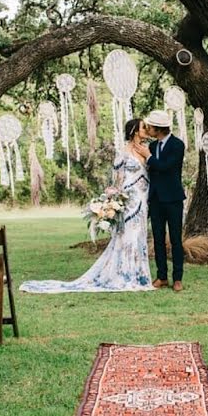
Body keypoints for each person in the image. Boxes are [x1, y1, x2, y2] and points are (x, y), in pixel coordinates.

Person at [20, 119, 154, 294]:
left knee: (139, 235)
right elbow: (118, 179)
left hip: (143, 200)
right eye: (144, 127)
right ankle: (124, 273)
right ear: (135, 131)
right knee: (127, 235)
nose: (147, 130)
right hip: (130, 199)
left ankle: (140, 274)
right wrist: (116, 199)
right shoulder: (124, 152)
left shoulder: (147, 150)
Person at [132, 110, 186, 292]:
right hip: (155, 199)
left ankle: (177, 278)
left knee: (176, 239)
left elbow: (165, 167)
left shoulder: (178, 145)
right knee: (158, 239)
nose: (148, 129)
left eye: (151, 127)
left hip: (173, 199)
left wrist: (148, 156)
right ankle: (161, 276)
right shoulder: (152, 146)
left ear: (159, 128)